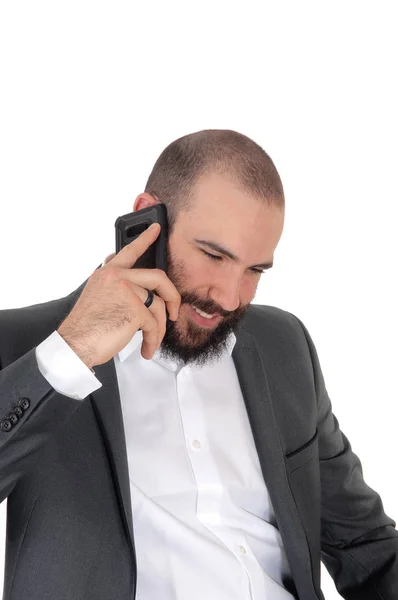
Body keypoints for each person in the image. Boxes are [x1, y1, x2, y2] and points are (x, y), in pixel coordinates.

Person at [0, 129, 396, 600]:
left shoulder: (283, 345)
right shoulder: (25, 344)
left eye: (255, 271)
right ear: (149, 219)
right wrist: (73, 350)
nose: (230, 298)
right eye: (213, 255)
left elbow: (364, 544)